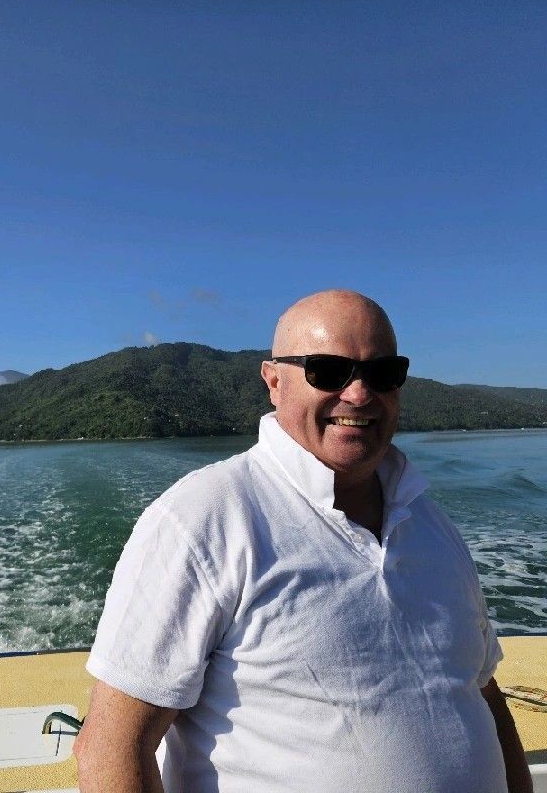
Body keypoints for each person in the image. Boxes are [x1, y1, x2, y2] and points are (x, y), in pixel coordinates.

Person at [74, 290, 532, 793]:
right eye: (327, 372)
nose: (358, 394)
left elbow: (481, 692)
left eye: (382, 373)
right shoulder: (206, 517)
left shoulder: (432, 525)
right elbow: (112, 749)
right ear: (274, 382)